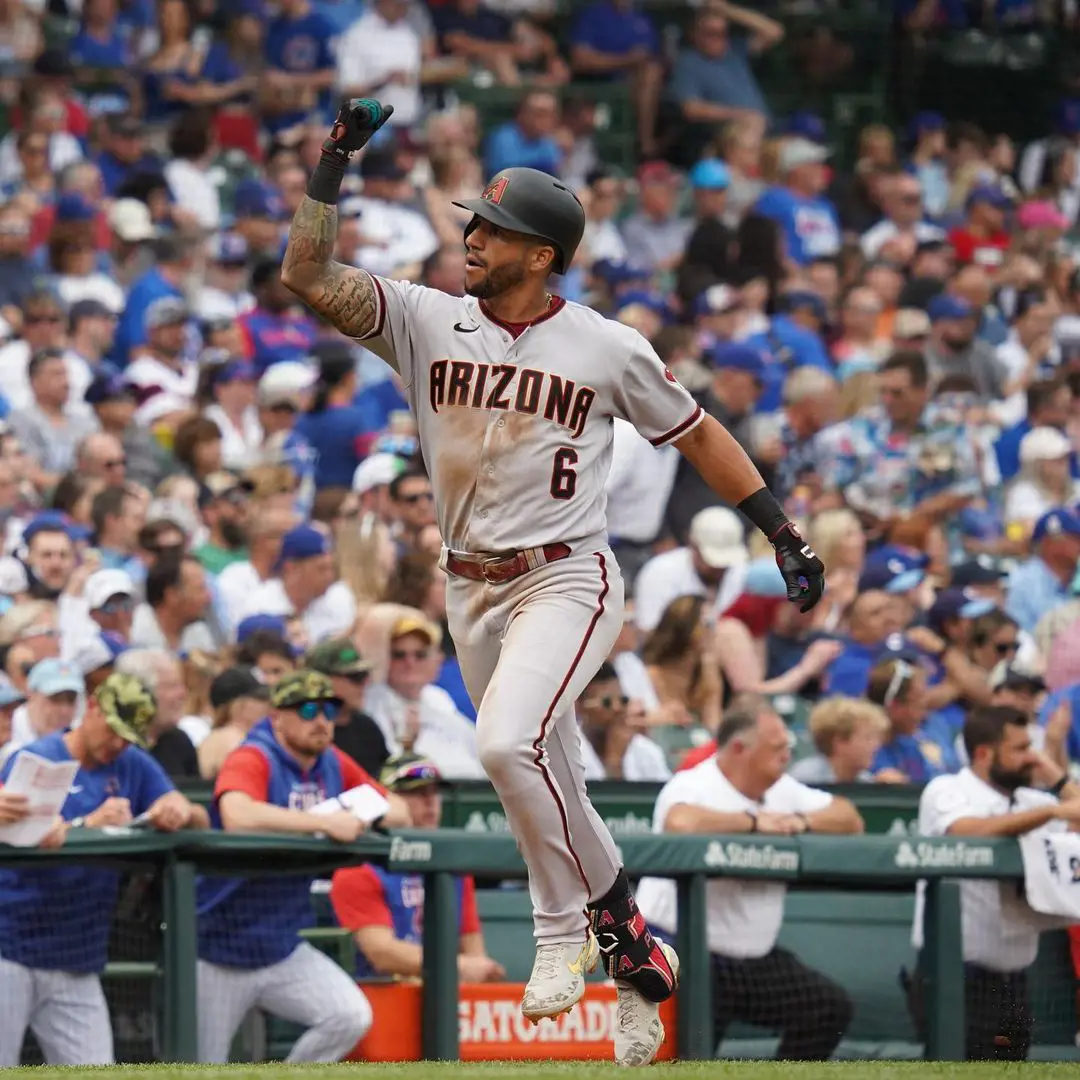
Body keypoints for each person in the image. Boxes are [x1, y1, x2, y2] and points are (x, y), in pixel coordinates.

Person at [281, 97, 825, 1068]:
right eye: (473, 224)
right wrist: (334, 162)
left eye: (492, 229)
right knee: (553, 774)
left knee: (505, 742)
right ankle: (636, 953)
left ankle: (563, 928)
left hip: (566, 577)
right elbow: (307, 272)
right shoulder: (423, 317)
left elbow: (696, 430)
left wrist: (778, 529)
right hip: (469, 586)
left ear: (542, 253)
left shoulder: (607, 345)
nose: (473, 238)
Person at [194, 669, 407, 1064]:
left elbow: (399, 810)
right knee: (199, 1068)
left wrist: (355, 813)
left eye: (329, 710)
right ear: (277, 717)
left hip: (281, 946)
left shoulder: (331, 762)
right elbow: (238, 815)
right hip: (217, 947)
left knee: (347, 1016)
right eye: (308, 710)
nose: (322, 720)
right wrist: (325, 821)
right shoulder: (253, 755)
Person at [635, 694, 863, 1061]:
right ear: (740, 748)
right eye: (776, 748)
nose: (787, 755)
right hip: (681, 954)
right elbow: (681, 822)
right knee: (682, 1057)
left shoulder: (781, 788)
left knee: (826, 1007)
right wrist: (753, 823)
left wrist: (801, 822)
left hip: (752, 964)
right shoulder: (693, 784)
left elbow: (849, 817)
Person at [0, 673, 207, 1067]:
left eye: (128, 736)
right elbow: (27, 834)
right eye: (113, 730)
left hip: (78, 954)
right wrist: (87, 824)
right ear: (92, 708)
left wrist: (179, 809)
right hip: (11, 945)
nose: (118, 744)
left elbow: (197, 815)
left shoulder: (131, 763)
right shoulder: (39, 758)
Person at [910, 705, 1080, 1061]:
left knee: (1010, 1066)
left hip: (1013, 978)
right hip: (955, 976)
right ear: (985, 753)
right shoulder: (948, 789)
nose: (1029, 758)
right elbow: (966, 832)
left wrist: (1057, 779)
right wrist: (1049, 812)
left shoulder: (1031, 799)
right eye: (1019, 749)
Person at [330, 752, 506, 982]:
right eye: (416, 792)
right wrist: (459, 966)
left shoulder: (455, 870)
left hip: (440, 988)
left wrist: (479, 969)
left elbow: (474, 952)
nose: (430, 801)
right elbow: (381, 953)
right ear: (387, 800)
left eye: (435, 792)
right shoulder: (358, 868)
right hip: (378, 995)